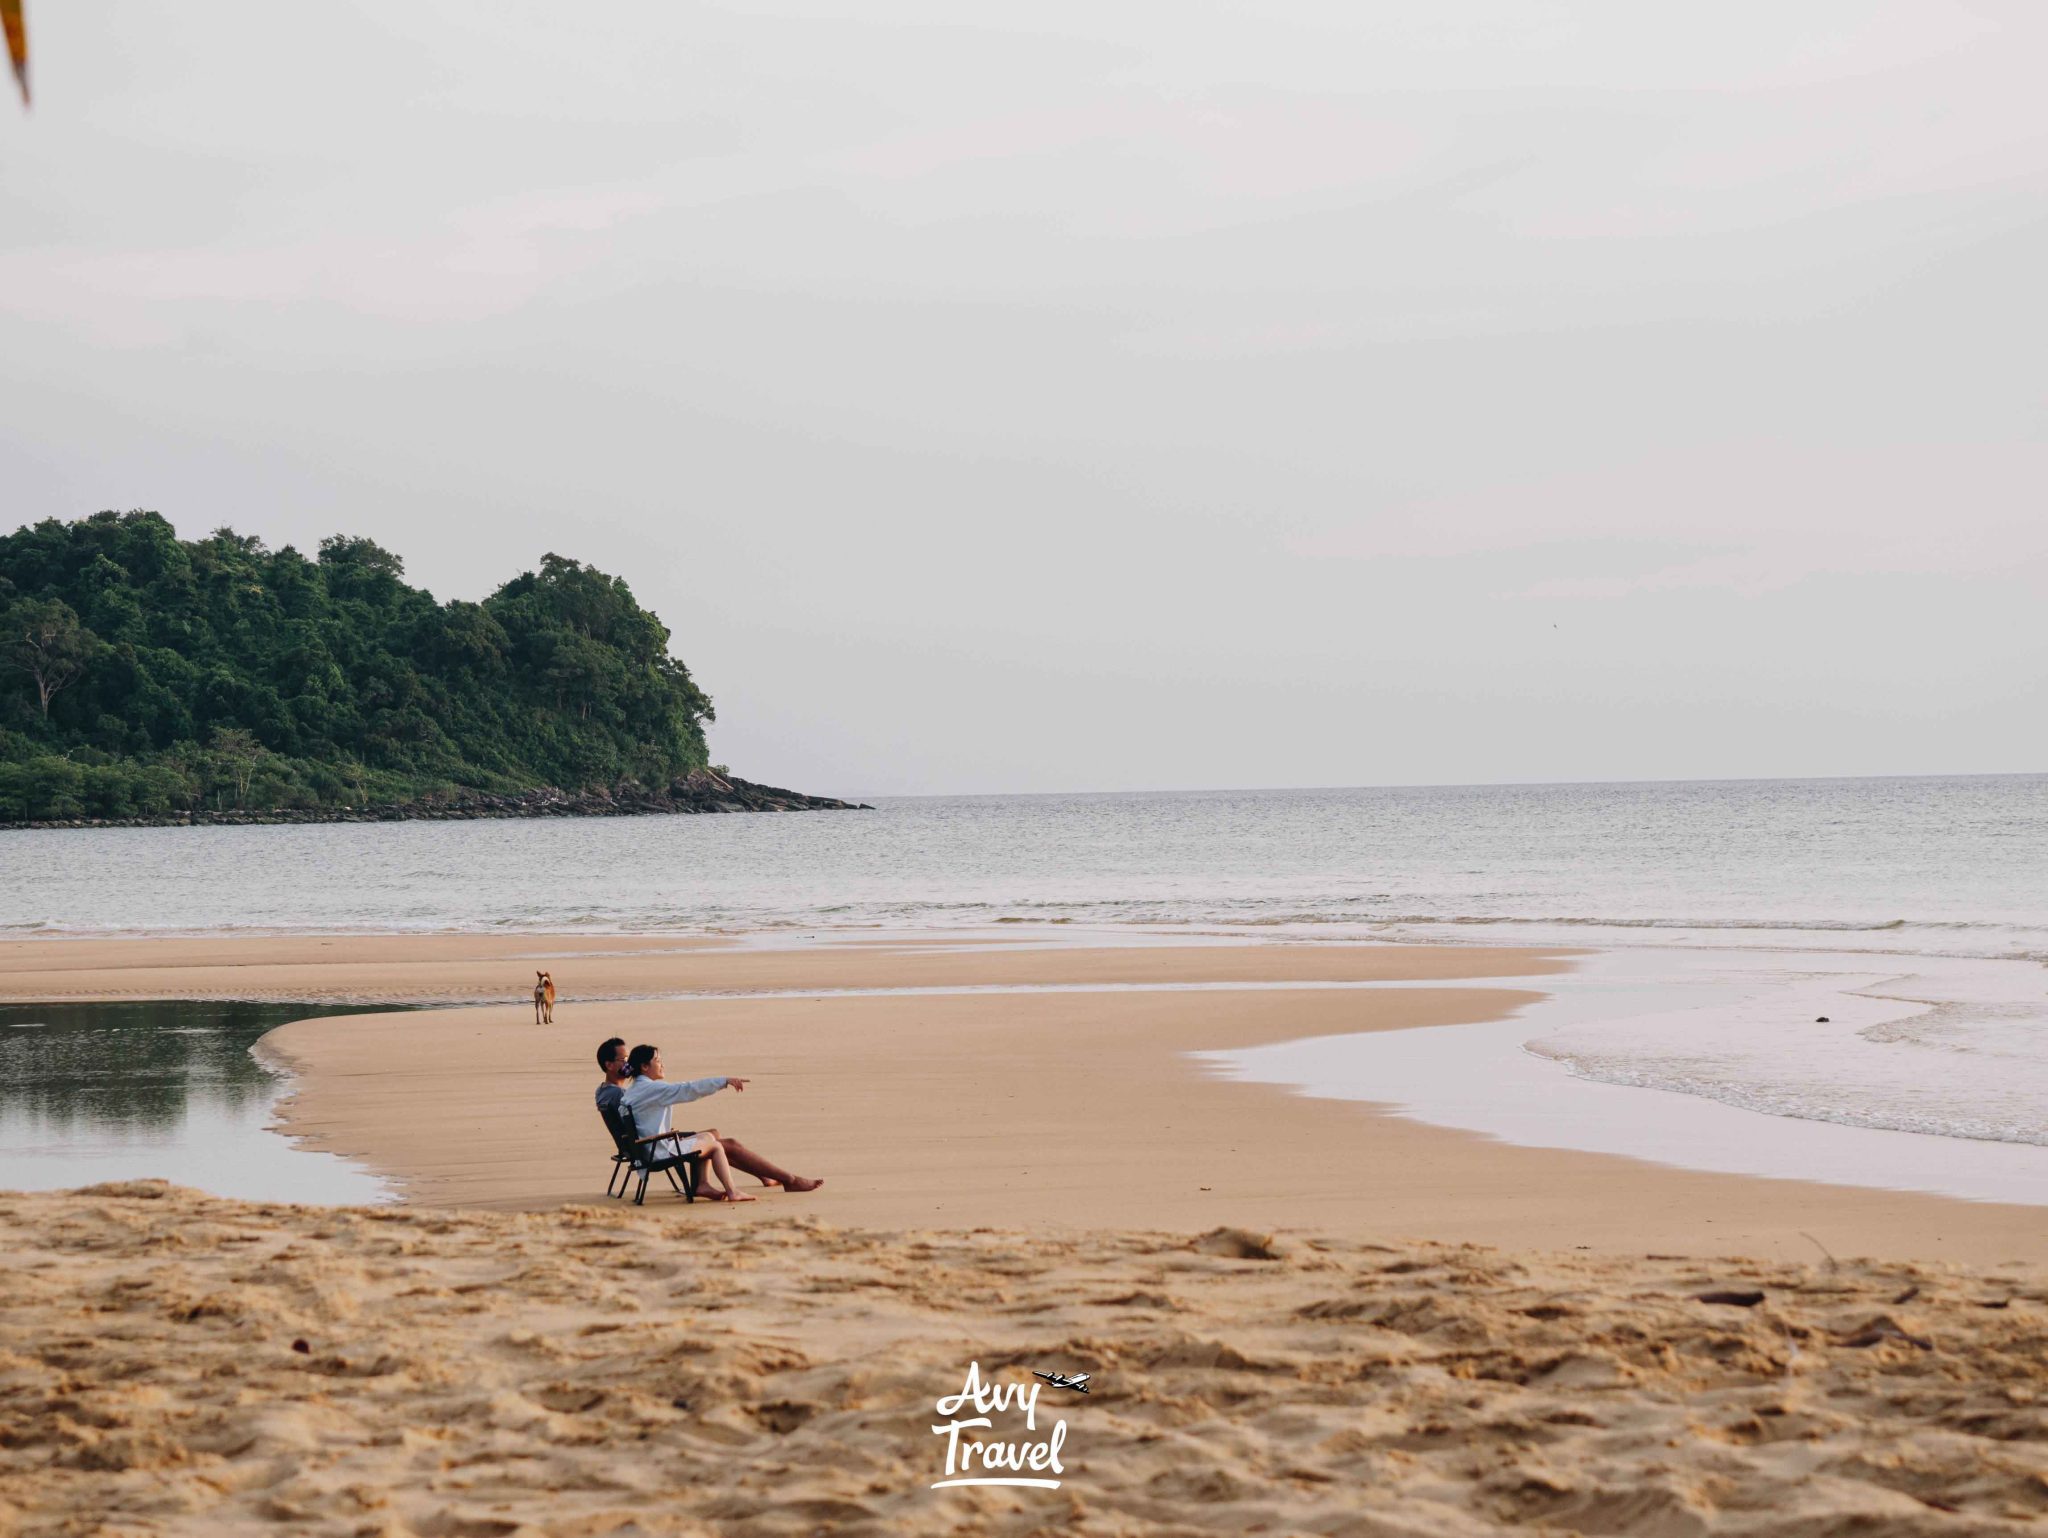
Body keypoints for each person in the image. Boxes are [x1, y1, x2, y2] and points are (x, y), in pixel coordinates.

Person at [606, 1040, 822, 1200]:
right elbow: (688, 1089)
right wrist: (723, 1081)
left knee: (716, 1136)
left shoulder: (636, 1089)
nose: (662, 1065)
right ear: (645, 1067)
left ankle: (756, 1178)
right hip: (658, 1150)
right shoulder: (652, 1088)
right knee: (719, 1143)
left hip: (648, 1148)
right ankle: (787, 1180)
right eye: (658, 1061)